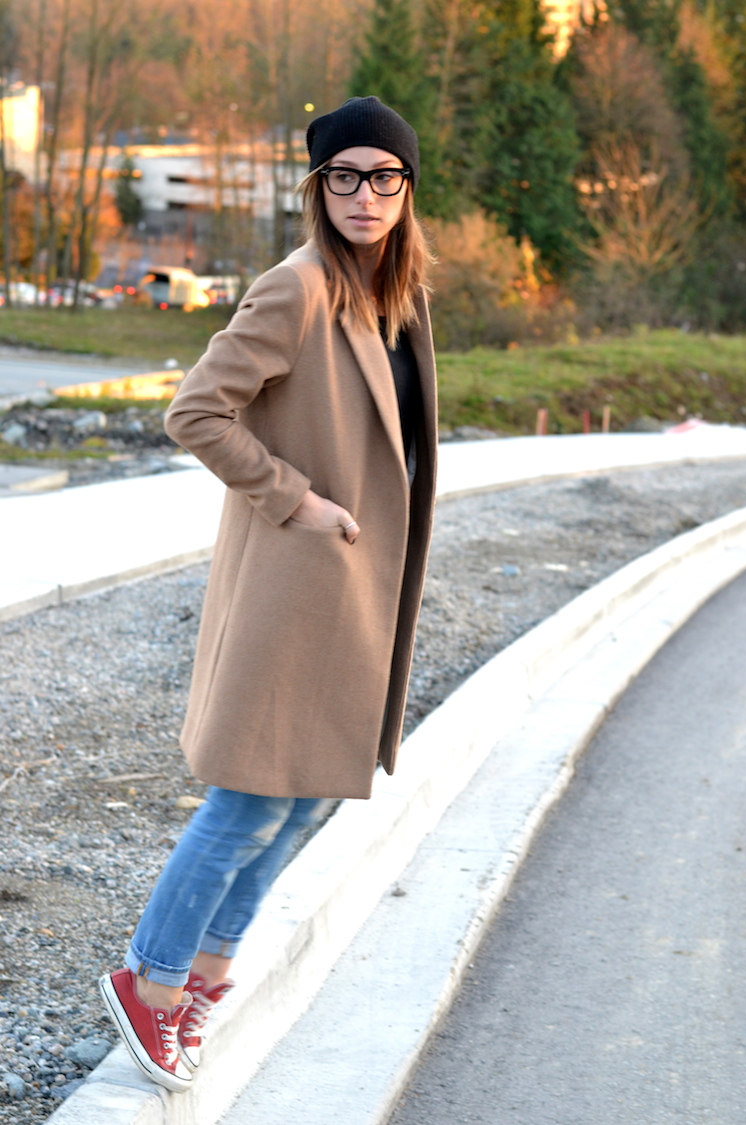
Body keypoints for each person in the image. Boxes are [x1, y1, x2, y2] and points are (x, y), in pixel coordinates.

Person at [98, 95, 438, 1093]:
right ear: (316, 188)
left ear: (408, 190)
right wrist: (298, 502)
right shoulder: (296, 288)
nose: (364, 194)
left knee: (302, 804)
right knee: (250, 796)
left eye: (383, 176)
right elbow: (196, 412)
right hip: (299, 583)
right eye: (344, 176)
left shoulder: (402, 293)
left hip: (357, 588)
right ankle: (149, 980)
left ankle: (204, 977)